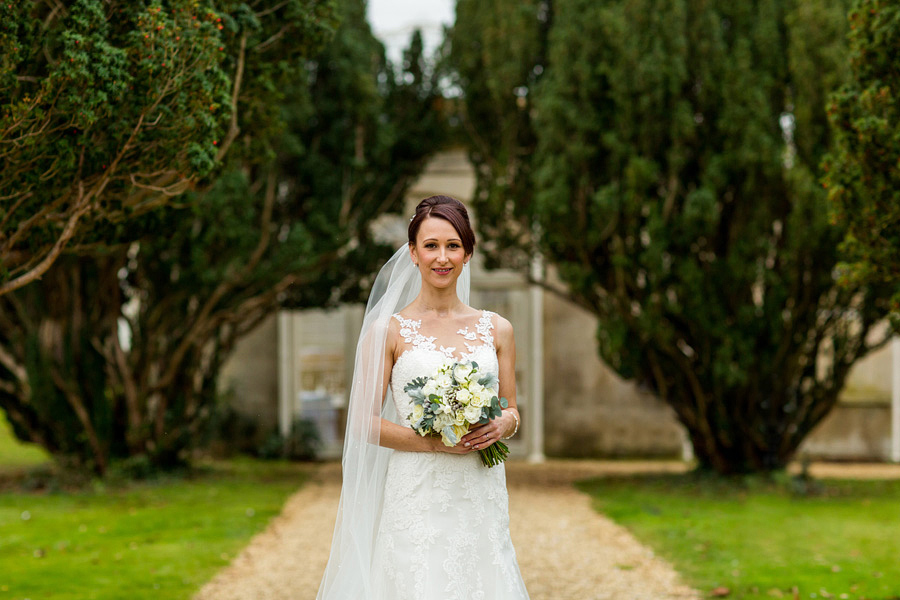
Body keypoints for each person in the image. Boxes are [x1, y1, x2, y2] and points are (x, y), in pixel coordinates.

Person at [316, 195, 530, 599]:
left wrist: (503, 424)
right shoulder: (387, 332)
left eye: (452, 245)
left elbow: (512, 409)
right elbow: (363, 422)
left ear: (468, 251)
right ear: (412, 253)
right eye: (431, 245)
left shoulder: (497, 329)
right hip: (416, 489)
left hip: (479, 486)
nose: (442, 257)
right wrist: (435, 443)